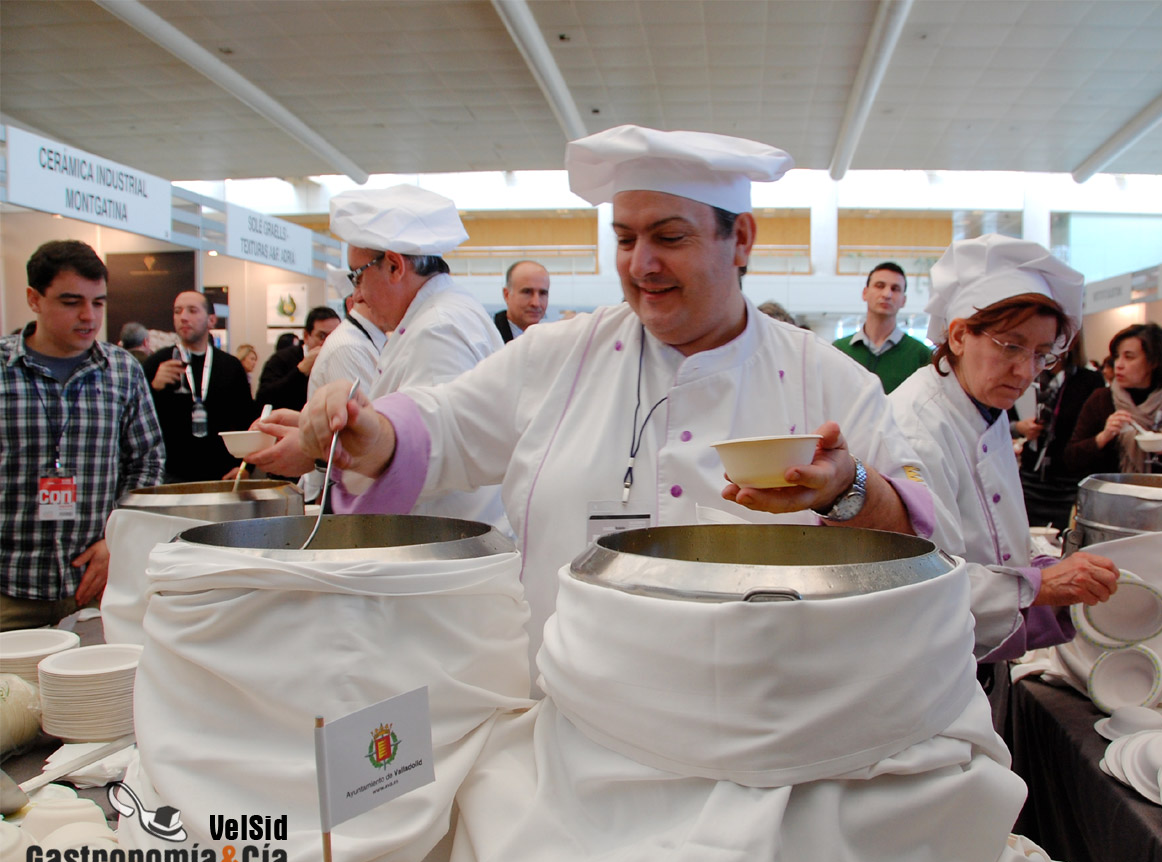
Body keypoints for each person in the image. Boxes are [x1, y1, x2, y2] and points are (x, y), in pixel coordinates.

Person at [261, 125, 934, 683]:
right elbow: (445, 425)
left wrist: (845, 490)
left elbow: (919, 546)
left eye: (669, 237)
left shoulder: (828, 379)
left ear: (743, 240)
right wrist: (370, 431)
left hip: (765, 749)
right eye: (625, 238)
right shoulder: (560, 355)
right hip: (571, 734)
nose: (641, 263)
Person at [889, 234, 1119, 665]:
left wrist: (1044, 567)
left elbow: (993, 537)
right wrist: (1038, 587)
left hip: (978, 658)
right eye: (1011, 347)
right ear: (958, 335)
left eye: (1040, 355)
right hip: (930, 665)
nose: (1024, 371)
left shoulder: (983, 406)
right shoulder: (916, 424)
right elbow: (920, 578)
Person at [256, 183, 509, 531]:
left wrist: (317, 451)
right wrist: (315, 432)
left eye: (358, 276)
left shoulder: (439, 329)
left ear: (394, 266)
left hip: (448, 540)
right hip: (442, 535)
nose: (357, 294)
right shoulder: (432, 318)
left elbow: (428, 456)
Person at [1, 240, 164, 629]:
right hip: (10, 588)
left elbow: (147, 462)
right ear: (34, 299)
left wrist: (118, 539)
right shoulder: (4, 371)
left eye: (98, 302)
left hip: (101, 585)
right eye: (71, 302)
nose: (88, 316)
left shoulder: (122, 371)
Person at [143, 291, 256, 483]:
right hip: (170, 476)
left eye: (192, 311)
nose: (183, 317)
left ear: (211, 320)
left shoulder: (230, 366)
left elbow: (247, 419)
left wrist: (246, 466)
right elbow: (139, 422)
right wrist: (154, 389)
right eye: (178, 312)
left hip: (222, 475)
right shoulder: (157, 363)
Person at [1063, 323, 1162, 477]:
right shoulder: (1101, 399)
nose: (1118, 365)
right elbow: (1071, 459)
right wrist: (1103, 437)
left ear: (1153, 362)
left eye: (1129, 357)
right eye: (1117, 357)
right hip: (1110, 496)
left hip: (1159, 496)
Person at [298, 290, 387, 503]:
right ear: (356, 298)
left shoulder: (368, 340)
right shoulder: (348, 347)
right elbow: (365, 433)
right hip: (346, 489)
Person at [1012, 337, 1106, 529]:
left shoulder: (1089, 380)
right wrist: (1020, 427)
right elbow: (1003, 419)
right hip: (1030, 476)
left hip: (1069, 480)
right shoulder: (1027, 375)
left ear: (1072, 342)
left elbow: (1091, 428)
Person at [832, 262, 932, 394]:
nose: (887, 294)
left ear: (904, 300)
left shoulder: (921, 355)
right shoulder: (839, 350)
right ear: (865, 293)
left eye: (895, 289)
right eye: (880, 286)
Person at [254, 307, 340, 413]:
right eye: (322, 336)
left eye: (334, 336)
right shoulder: (281, 359)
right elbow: (263, 399)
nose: (328, 342)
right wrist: (300, 371)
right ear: (306, 336)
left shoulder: (340, 360)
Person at [495, 260, 550, 342]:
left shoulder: (550, 341)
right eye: (527, 292)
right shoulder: (488, 340)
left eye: (542, 293)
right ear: (507, 295)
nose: (536, 303)